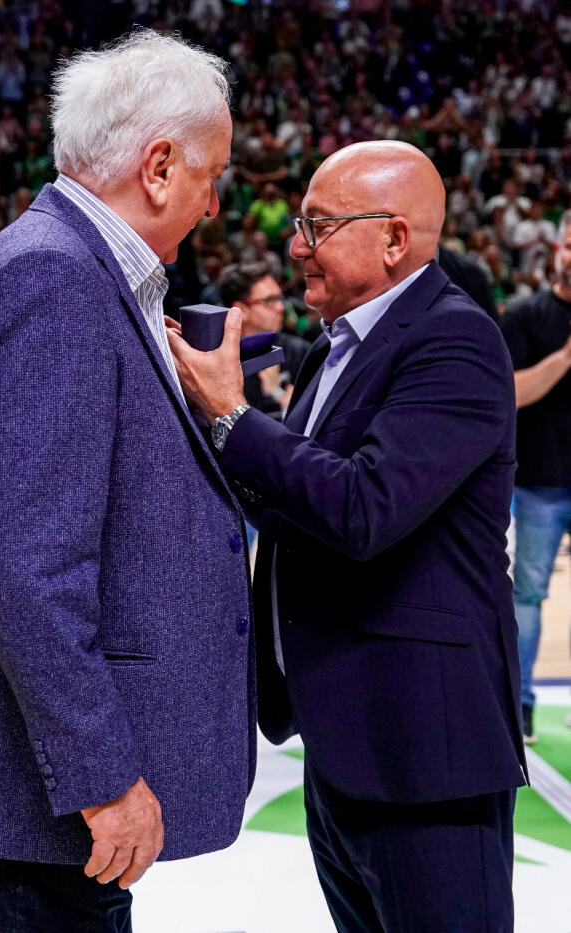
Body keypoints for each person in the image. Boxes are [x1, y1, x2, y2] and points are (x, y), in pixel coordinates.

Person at [0, 31, 254, 933]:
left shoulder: (61, 262)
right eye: (212, 177)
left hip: (38, 778)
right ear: (159, 166)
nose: (211, 205)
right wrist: (103, 775)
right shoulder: (55, 276)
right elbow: (24, 560)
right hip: (49, 790)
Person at [168, 140, 526, 933]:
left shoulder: (456, 340)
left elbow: (364, 509)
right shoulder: (337, 342)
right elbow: (301, 511)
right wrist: (200, 428)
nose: (296, 245)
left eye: (318, 225)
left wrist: (233, 417)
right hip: (346, 737)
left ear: (394, 238)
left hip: (425, 750)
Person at [500, 210, 571, 743]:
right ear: (557, 249)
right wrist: (566, 357)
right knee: (528, 593)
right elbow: (513, 393)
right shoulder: (524, 315)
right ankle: (521, 704)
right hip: (540, 479)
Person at [217, 261, 309, 417]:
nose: (280, 307)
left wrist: (278, 394)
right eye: (269, 300)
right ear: (241, 310)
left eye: (279, 298)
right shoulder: (218, 361)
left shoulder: (300, 351)